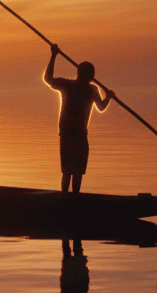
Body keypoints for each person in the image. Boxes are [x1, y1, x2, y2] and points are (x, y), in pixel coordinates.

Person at [44, 44, 114, 194]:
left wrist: (108, 97)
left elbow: (101, 107)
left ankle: (74, 197)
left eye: (93, 74)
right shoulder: (69, 86)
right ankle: (65, 197)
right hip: (68, 134)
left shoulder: (91, 89)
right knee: (68, 170)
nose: (92, 77)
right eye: (91, 74)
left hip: (80, 135)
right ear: (84, 74)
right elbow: (48, 79)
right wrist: (53, 55)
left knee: (77, 171)